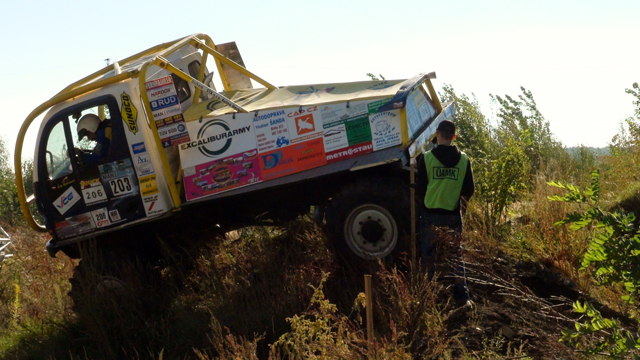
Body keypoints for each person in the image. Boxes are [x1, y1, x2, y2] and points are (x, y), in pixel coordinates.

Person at [415, 119, 474, 307]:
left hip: (430, 214)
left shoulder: (426, 159)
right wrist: (459, 206)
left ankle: (426, 296)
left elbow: (420, 189)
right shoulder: (464, 160)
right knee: (455, 256)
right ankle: (462, 298)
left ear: (437, 134)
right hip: (453, 215)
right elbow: (469, 190)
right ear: (454, 137)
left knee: (428, 256)